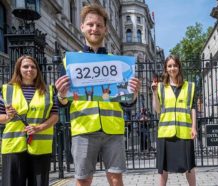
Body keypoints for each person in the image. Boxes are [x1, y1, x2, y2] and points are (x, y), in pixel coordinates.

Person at [54, 4, 141, 186]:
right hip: (84, 129)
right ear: (82, 27)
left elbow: (127, 103)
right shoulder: (68, 62)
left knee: (116, 179)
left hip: (113, 130)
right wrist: (61, 94)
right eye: (90, 24)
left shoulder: (117, 63)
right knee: (83, 180)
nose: (95, 28)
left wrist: (133, 93)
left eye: (99, 25)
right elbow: (61, 103)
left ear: (105, 29)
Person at [0, 55, 59, 186]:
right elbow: (1, 117)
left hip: (40, 147)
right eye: (25, 66)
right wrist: (8, 116)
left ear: (37, 70)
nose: (29, 69)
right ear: (18, 69)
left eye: (33, 67)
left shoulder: (48, 90)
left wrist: (39, 127)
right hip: (13, 146)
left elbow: (55, 115)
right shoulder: (7, 89)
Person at [151, 55, 197, 186]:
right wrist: (154, 93)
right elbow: (157, 110)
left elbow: (193, 108)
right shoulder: (160, 87)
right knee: (163, 169)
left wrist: (194, 127)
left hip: (185, 132)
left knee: (190, 167)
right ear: (166, 68)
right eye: (169, 66)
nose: (172, 68)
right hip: (165, 132)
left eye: (175, 65)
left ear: (179, 67)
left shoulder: (190, 86)